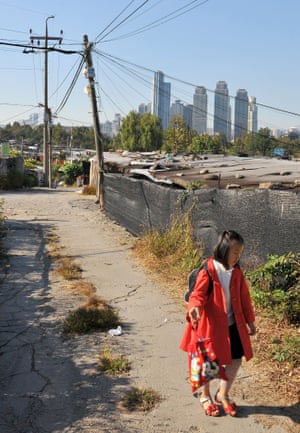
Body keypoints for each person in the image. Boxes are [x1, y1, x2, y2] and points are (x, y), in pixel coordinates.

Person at [179, 230, 256, 417]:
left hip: (233, 325)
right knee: (207, 363)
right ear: (223, 250)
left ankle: (223, 393)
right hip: (210, 326)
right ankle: (205, 396)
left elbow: (244, 298)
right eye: (235, 253)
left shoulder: (236, 271)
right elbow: (197, 294)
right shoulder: (209, 269)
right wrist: (194, 307)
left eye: (240, 253)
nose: (238, 257)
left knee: (236, 359)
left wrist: (250, 320)